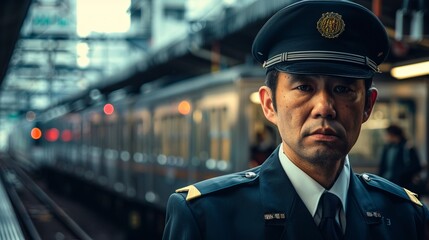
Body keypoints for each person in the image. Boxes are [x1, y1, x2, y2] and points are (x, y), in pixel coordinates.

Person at [162, 1, 429, 239]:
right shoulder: (206, 217)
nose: (324, 108)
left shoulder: (408, 217)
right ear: (269, 104)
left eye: (343, 89)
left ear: (367, 106)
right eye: (304, 87)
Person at [378, 124, 424, 194]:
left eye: (387, 135)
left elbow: (417, 166)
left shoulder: (407, 147)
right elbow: (383, 166)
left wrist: (402, 176)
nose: (386, 137)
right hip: (386, 183)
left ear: (393, 135)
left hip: (402, 186)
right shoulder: (387, 148)